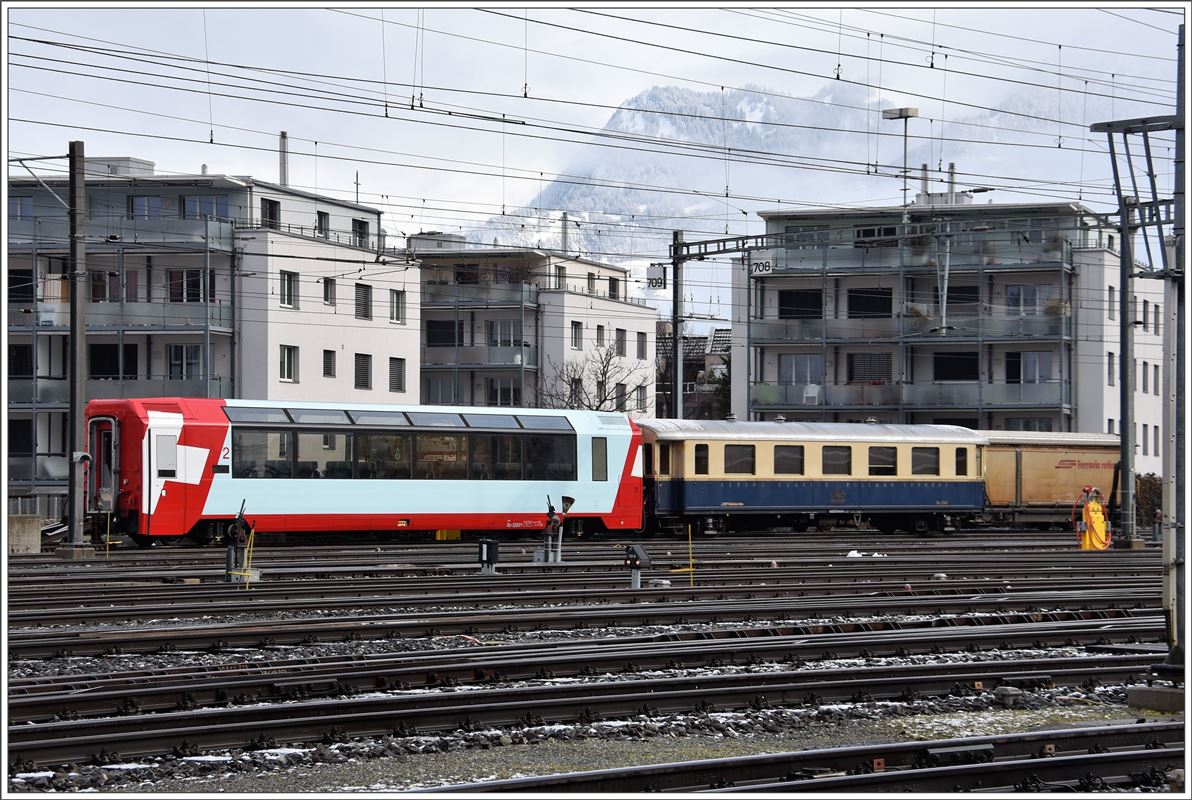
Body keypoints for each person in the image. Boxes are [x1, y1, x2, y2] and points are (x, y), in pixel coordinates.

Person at [1075, 485, 1111, 550]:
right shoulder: (1088, 506)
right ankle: (1091, 545)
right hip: (1091, 516)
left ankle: (1097, 545)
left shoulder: (1095, 504)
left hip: (1096, 515)